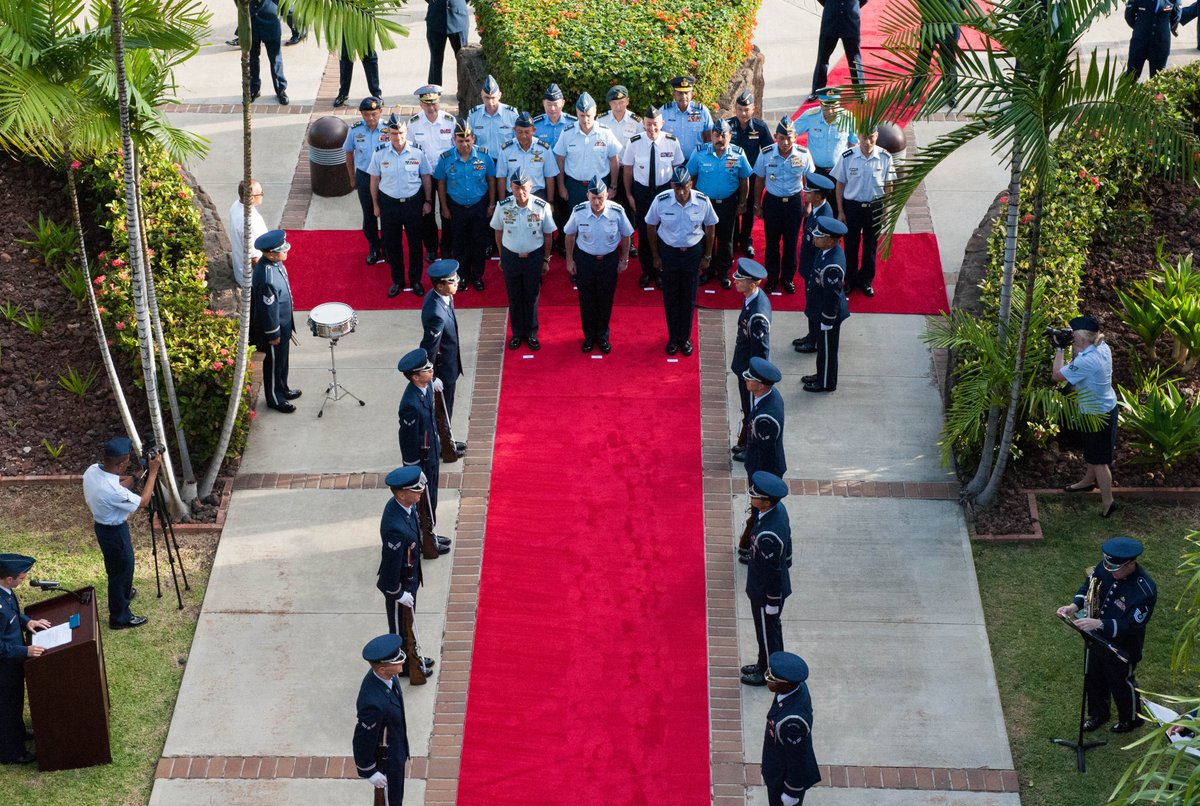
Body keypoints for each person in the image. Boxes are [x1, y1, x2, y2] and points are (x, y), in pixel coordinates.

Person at [1055, 536, 1157, 733]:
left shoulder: (1144, 590)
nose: (1111, 572)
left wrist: (1100, 623)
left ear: (1131, 563)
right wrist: (1073, 606)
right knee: (1094, 677)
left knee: (1121, 683)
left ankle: (1131, 719)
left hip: (1122, 646)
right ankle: (1099, 714)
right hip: (1096, 639)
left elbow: (1131, 625)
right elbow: (1089, 585)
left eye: (1116, 568)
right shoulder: (1107, 567)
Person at [82, 437, 162, 629]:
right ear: (120, 463)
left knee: (116, 569)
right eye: (126, 462)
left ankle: (123, 594)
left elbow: (117, 486)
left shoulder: (93, 470)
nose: (128, 465)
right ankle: (120, 617)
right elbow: (143, 502)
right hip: (115, 533)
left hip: (102, 529)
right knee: (123, 570)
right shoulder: (112, 491)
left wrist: (137, 475)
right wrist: (152, 473)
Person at [645, 166, 717, 356]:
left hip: (693, 253)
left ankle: (684, 338)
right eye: (677, 188)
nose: (681, 192)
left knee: (689, 296)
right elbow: (650, 226)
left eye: (684, 187)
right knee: (671, 297)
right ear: (672, 186)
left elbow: (710, 227)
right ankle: (672, 337)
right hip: (669, 253)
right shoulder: (661, 201)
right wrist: (656, 256)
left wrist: (708, 256)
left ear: (690, 184)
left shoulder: (702, 201)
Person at [1052, 314, 1120, 517]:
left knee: (1099, 461)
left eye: (1072, 336)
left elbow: (1057, 376)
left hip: (1096, 414)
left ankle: (1108, 503)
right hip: (1105, 407)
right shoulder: (1101, 346)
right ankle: (1087, 482)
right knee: (1092, 453)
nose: (1070, 338)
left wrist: (1059, 349)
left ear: (1081, 339)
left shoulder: (1088, 360)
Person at [563, 176, 634, 353]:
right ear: (587, 195)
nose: (596, 202)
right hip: (585, 260)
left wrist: (624, 259)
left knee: (605, 299)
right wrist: (570, 260)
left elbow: (626, 236)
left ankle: (602, 336)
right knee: (586, 300)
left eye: (600, 198)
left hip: (608, 260)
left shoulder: (617, 211)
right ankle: (589, 336)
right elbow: (569, 235)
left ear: (607, 196)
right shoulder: (579, 211)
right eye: (593, 198)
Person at [378, 466, 436, 679]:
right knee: (398, 626)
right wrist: (397, 592)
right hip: (398, 584)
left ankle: (410, 656)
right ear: (402, 494)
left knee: (407, 623)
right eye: (416, 490)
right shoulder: (396, 527)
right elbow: (391, 564)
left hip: (409, 577)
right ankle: (400, 662)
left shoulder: (405, 507)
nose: (421, 492)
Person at [490, 168, 556, 350]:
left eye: (524, 188)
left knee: (532, 296)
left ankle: (532, 333)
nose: (521, 192)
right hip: (511, 256)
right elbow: (498, 231)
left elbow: (548, 235)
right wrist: (502, 256)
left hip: (534, 257)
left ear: (531, 186)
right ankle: (517, 334)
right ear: (511, 188)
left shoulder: (542, 206)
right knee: (514, 296)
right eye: (516, 188)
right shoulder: (503, 206)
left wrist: (545, 260)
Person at [370, 114, 434, 299]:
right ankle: (397, 280)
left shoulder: (417, 151)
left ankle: (415, 280)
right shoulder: (380, 153)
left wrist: (428, 201)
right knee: (392, 245)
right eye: (393, 133)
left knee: (415, 244)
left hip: (413, 203)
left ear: (406, 131)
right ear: (388, 134)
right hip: (389, 204)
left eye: (401, 133)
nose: (398, 138)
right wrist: (375, 204)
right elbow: (374, 180)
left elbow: (426, 177)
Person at [621, 105, 685, 286]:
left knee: (663, 232)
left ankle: (661, 271)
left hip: (664, 191)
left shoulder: (672, 141)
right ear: (643, 123)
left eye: (655, 124)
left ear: (662, 123)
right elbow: (627, 170)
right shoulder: (634, 142)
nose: (652, 128)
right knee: (643, 230)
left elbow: (678, 169)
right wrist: (628, 194)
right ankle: (647, 271)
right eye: (648, 124)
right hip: (642, 192)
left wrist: (677, 195)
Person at [687, 117, 752, 287]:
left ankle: (724, 272)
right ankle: (706, 270)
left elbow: (744, 179)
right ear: (711, 136)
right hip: (704, 203)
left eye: (723, 136)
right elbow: (691, 176)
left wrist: (742, 202)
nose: (720, 139)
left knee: (726, 238)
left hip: (728, 203)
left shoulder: (738, 154)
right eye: (716, 135)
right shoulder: (699, 153)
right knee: (703, 237)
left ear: (730, 136)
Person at [741, 473, 792, 687]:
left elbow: (772, 572)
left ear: (766, 502)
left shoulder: (768, 536)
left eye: (755, 496)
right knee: (770, 631)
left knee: (766, 633)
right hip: (766, 588)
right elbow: (787, 547)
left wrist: (771, 602)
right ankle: (766, 662)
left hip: (765, 593)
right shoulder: (777, 512)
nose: (751, 498)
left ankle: (769, 673)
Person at [832, 125, 895, 297]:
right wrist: (840, 211)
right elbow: (840, 185)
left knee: (870, 246)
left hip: (874, 208)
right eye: (863, 137)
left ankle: (866, 280)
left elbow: (889, 185)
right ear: (858, 136)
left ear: (877, 135)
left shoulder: (885, 156)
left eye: (871, 137)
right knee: (850, 245)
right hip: (852, 207)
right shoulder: (848, 156)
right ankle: (850, 279)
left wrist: (886, 211)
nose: (867, 142)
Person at [435, 117, 497, 291]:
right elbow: (441, 183)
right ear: (454, 140)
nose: (464, 145)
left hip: (479, 205)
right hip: (456, 206)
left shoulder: (484, 156)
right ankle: (461, 276)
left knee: (479, 242)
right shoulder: (446, 158)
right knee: (459, 243)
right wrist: (444, 207)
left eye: (467, 140)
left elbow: (491, 180)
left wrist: (491, 204)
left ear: (473, 139)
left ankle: (477, 276)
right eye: (460, 141)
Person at [0, 553, 50, 765]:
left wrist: (27, 622)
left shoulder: (5, 592)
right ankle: (11, 753)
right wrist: (25, 652)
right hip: (4, 667)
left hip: (11, 663)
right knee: (7, 707)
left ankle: (17, 733)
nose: (23, 580)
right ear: (9, 579)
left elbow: (12, 615)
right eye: (21, 578)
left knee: (15, 703)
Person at [397, 348, 448, 553]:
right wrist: (413, 469)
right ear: (416, 377)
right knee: (422, 503)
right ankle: (424, 539)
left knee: (431, 497)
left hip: (432, 454)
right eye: (426, 369)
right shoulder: (410, 404)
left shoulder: (425, 389)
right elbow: (407, 438)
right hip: (420, 460)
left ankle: (431, 532)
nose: (431, 368)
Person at [753, 117, 812, 293]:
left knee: (790, 243)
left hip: (794, 202)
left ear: (795, 137)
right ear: (775, 137)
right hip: (772, 203)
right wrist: (757, 204)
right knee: (771, 242)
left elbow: (809, 180)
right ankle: (771, 277)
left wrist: (808, 204)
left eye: (789, 138)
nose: (785, 142)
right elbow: (759, 180)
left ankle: (787, 278)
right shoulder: (766, 153)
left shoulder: (803, 154)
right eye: (781, 138)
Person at [352, 634, 411, 803]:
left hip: (396, 751)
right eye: (397, 662)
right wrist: (369, 771)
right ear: (382, 670)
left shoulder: (388, 677)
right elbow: (362, 739)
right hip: (387, 762)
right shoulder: (373, 703)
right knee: (390, 800)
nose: (402, 662)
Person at [762, 651, 822, 805]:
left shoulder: (793, 723)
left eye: (771, 679)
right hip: (777, 763)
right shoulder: (794, 689)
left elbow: (797, 759)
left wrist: (791, 792)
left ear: (785, 684)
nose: (767, 680)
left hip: (783, 777)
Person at [250, 229, 300, 412]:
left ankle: (283, 389)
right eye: (282, 250)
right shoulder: (267, 277)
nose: (286, 252)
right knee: (273, 364)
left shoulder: (276, 264)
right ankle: (275, 398)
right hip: (274, 329)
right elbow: (268, 309)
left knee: (282, 361)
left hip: (283, 324)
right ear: (270, 254)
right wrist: (273, 333)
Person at [408, 86, 458, 264]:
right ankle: (430, 247)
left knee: (448, 212)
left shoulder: (450, 121)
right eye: (427, 104)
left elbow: (456, 149)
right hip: (424, 175)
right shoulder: (413, 123)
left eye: (435, 104)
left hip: (446, 175)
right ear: (421, 104)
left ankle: (447, 247)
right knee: (426, 213)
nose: (432, 108)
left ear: (439, 102)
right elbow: (410, 150)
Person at [802, 216, 849, 393]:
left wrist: (827, 320)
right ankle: (821, 374)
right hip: (819, 309)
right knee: (822, 348)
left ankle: (827, 382)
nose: (815, 239)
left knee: (828, 350)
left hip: (828, 314)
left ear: (829, 240)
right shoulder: (826, 252)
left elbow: (832, 296)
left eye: (819, 236)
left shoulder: (832, 267)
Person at [730, 259, 771, 461]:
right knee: (747, 409)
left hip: (750, 371)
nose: (735, 280)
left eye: (740, 278)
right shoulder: (752, 299)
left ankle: (751, 449)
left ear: (753, 284)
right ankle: (746, 443)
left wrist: (755, 378)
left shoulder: (757, 315)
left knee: (751, 410)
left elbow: (760, 351)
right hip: (744, 366)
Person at [792, 88, 857, 214]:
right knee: (812, 210)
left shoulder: (848, 118)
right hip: (816, 171)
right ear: (821, 104)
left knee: (837, 208)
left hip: (837, 172)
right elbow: (791, 133)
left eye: (834, 107)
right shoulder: (810, 116)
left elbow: (853, 144)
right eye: (827, 107)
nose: (831, 111)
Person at [554, 92, 621, 210]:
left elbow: (613, 160)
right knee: (575, 221)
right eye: (581, 115)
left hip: (600, 186)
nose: (585, 120)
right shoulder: (567, 132)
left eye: (588, 115)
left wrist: (613, 186)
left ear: (595, 112)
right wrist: (561, 186)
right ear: (577, 113)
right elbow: (560, 160)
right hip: (575, 186)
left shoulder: (605, 132)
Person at [343, 97, 389, 266]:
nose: (371, 118)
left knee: (387, 213)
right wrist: (352, 178)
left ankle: (387, 246)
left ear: (380, 112)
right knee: (369, 214)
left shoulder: (388, 129)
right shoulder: (355, 130)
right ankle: (373, 247)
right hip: (364, 176)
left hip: (385, 177)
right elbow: (349, 153)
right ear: (361, 114)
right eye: (367, 115)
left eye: (374, 114)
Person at [794, 173, 836, 355]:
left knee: (815, 306)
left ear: (818, 196)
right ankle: (811, 334)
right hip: (809, 266)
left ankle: (815, 341)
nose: (805, 193)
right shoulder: (817, 211)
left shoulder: (824, 217)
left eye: (809, 191)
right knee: (811, 304)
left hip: (815, 269)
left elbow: (821, 248)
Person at [420, 259, 465, 420]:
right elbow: (429, 346)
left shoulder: (442, 296)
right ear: (440, 285)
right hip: (443, 369)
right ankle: (445, 444)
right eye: (453, 281)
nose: (457, 282)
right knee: (444, 411)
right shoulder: (436, 314)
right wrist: (432, 377)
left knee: (447, 407)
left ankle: (448, 441)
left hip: (450, 363)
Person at [729, 91, 771, 258]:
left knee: (747, 211)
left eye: (746, 110)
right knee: (732, 211)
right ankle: (732, 242)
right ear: (735, 109)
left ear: (753, 109)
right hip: (731, 177)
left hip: (752, 178)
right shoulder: (728, 126)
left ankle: (746, 241)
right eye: (740, 109)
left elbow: (768, 151)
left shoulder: (760, 128)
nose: (743, 113)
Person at [495, 111, 560, 204]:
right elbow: (501, 178)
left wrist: (550, 202)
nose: (523, 136)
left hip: (537, 195)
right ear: (514, 130)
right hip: (513, 195)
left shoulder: (544, 149)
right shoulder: (506, 150)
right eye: (519, 132)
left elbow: (549, 177)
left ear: (534, 130)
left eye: (527, 132)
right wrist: (502, 203)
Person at [809, 0, 865, 102]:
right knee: (823, 57)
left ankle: (859, 90)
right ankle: (817, 90)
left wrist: (853, 5)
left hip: (850, 18)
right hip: (831, 18)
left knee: (854, 57)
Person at [742, 356, 786, 479]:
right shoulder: (772, 394)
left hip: (763, 472)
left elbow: (766, 454)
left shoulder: (764, 420)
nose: (746, 379)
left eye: (750, 378)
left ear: (761, 385)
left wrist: (760, 479)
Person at [660, 75, 713, 158]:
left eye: (686, 93)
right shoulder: (664, 111)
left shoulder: (702, 112)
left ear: (692, 94)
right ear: (674, 94)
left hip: (696, 161)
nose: (683, 97)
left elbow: (709, 138)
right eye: (680, 93)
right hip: (670, 162)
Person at [228, 178, 268, 288]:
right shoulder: (249, 224)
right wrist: (267, 277)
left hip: (240, 270)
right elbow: (254, 259)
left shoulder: (236, 205)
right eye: (261, 193)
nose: (262, 195)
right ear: (251, 198)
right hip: (251, 279)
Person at [466, 75, 518, 158]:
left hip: (505, 160)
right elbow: (468, 141)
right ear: (481, 95)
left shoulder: (511, 115)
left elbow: (517, 141)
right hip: (481, 161)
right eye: (486, 98)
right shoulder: (474, 115)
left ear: (499, 96)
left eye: (493, 98)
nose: (490, 102)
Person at [248, 0, 288, 105]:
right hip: (251, 21)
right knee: (252, 58)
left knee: (275, 58)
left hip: (270, 19)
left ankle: (281, 90)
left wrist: (278, 12)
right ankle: (254, 89)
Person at [1125, 0, 1176, 79]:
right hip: (1139, 42)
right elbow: (1129, 15)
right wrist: (1140, 28)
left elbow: (1176, 17)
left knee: (1157, 80)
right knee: (1131, 77)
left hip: (1160, 44)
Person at [332, 30, 382, 108]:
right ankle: (343, 94)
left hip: (364, 21)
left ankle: (376, 93)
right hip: (345, 21)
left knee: (368, 55)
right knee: (346, 56)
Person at [425, 0, 469, 85]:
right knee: (435, 59)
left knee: (463, 59)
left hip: (459, 18)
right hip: (436, 18)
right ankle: (435, 90)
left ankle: (464, 90)